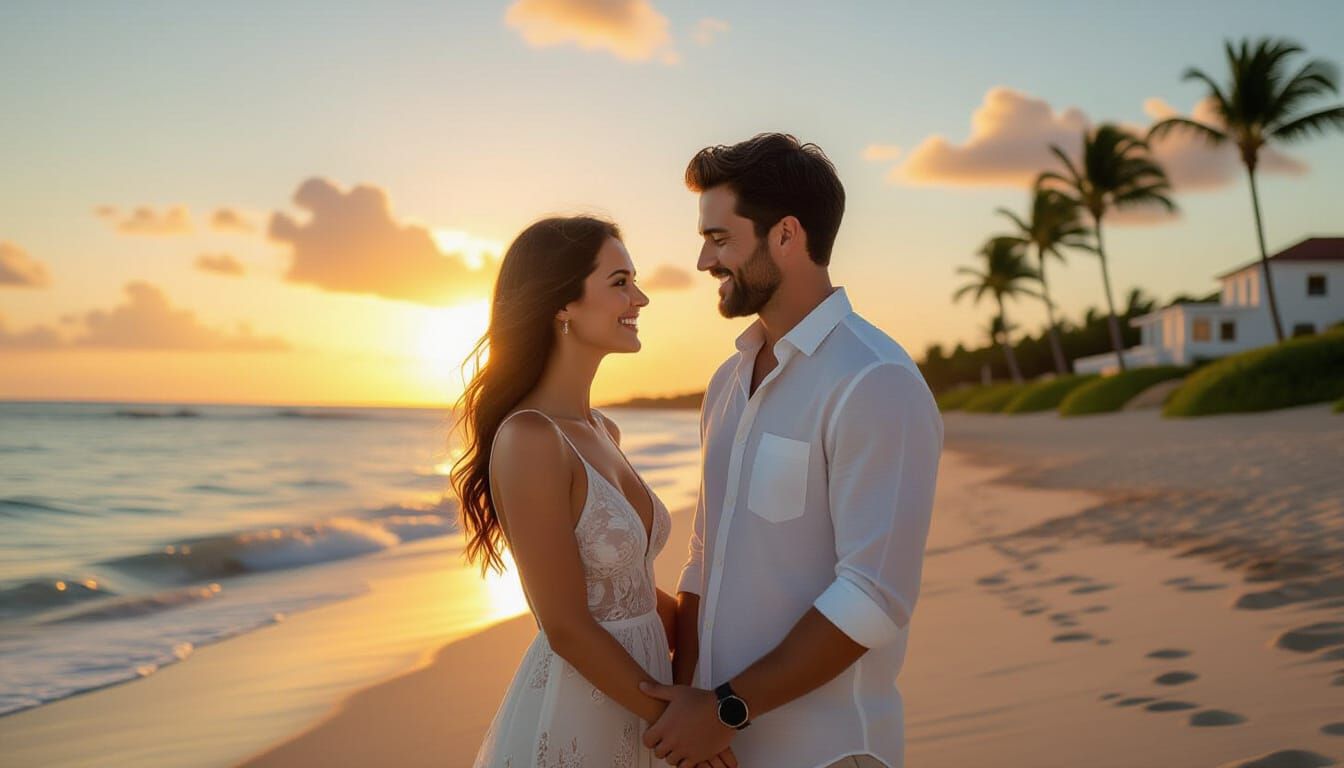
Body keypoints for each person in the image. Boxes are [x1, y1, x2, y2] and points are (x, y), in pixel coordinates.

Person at [639, 134, 944, 768]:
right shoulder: (726, 384)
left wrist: (726, 707)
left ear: (785, 235)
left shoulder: (874, 379)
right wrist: (695, 706)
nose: (702, 262)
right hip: (718, 748)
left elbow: (872, 595)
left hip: (827, 751)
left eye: (720, 239)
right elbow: (703, 559)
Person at [453, 216, 737, 767]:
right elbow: (564, 625)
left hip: (645, 686)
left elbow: (625, 585)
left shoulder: (602, 430)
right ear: (562, 304)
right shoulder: (530, 437)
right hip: (586, 703)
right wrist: (677, 726)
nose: (642, 297)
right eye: (620, 282)